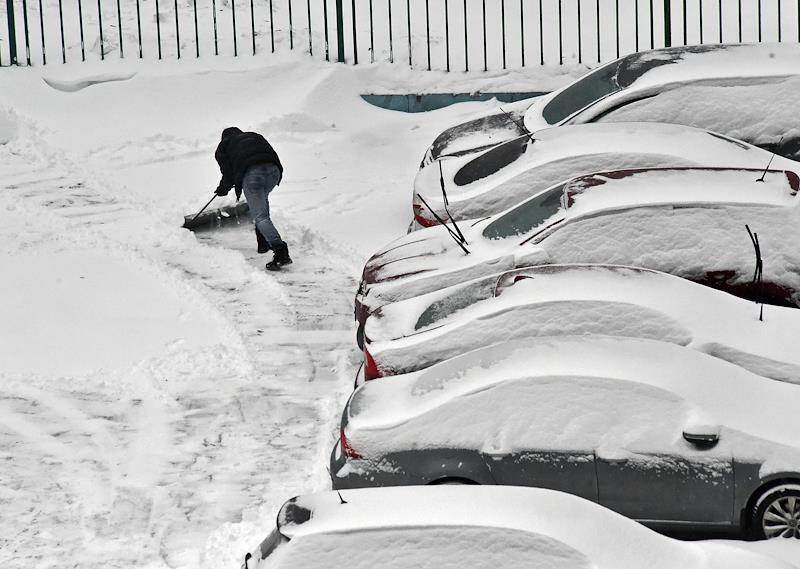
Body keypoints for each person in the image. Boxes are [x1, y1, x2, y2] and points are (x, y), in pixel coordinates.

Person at [214, 126, 292, 270]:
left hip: (253, 175)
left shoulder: (224, 146)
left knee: (261, 216)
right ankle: (263, 243)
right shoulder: (254, 136)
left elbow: (228, 174)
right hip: (274, 171)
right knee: (262, 205)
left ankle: (281, 253)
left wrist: (222, 189)